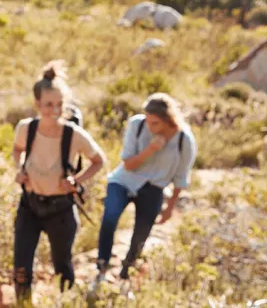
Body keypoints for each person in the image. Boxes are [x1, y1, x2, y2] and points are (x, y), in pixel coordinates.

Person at [11, 61, 106, 304]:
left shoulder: (73, 134)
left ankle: (66, 303)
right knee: (21, 267)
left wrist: (76, 180)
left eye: (59, 104)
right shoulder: (26, 128)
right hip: (29, 206)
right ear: (37, 104)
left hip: (61, 210)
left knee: (62, 266)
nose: (54, 110)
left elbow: (98, 161)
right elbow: (17, 149)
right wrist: (19, 169)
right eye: (48, 105)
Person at [95, 93, 197, 282]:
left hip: (154, 188)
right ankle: (101, 269)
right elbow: (128, 164)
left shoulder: (184, 140)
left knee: (141, 233)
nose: (150, 126)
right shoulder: (137, 124)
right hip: (124, 180)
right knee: (110, 217)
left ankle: (126, 274)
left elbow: (181, 177)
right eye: (148, 121)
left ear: (169, 120)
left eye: (155, 123)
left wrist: (170, 207)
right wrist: (150, 149)